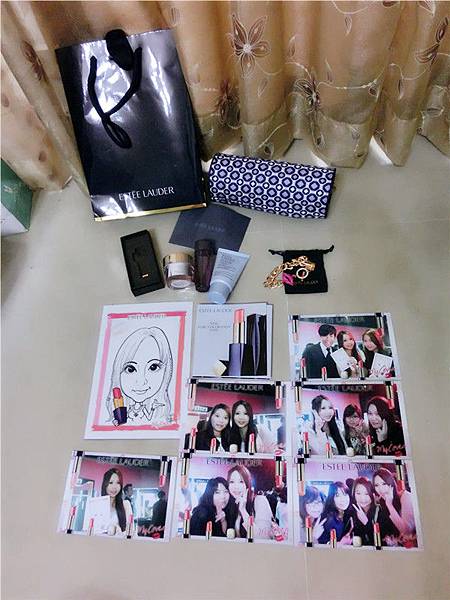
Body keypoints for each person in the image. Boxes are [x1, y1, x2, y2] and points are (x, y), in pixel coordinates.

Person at [106, 327, 173, 425]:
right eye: (130, 369)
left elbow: (149, 417)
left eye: (153, 367)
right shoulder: (124, 410)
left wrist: (153, 408)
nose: (141, 381)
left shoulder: (160, 416)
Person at [227, 465, 274, 539]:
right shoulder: (232, 505)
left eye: (241, 482)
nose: (236, 486)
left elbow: (264, 537)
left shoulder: (260, 501)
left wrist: (243, 511)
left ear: (247, 484)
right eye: (232, 482)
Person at [373, 468, 416, 546]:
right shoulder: (383, 502)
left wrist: (389, 505)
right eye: (376, 485)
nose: (381, 489)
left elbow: (406, 531)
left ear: (391, 482)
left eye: (384, 484)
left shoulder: (405, 496)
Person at [101, 468, 132, 536]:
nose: (114, 487)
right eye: (111, 483)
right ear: (105, 484)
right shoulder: (98, 504)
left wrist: (118, 531)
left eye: (118, 483)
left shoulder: (125, 504)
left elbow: (130, 531)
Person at [349, 477, 377, 546]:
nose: (363, 498)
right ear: (353, 494)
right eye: (358, 493)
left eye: (366, 494)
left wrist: (366, 522)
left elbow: (378, 541)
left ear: (372, 494)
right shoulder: (352, 511)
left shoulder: (379, 511)